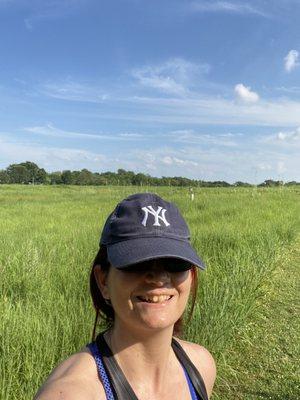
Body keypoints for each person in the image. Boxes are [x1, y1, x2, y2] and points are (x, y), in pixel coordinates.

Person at [35, 193, 216, 400]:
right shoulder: (71, 393)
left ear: (191, 276)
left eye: (175, 262)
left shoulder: (201, 366)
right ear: (103, 281)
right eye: (138, 262)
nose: (159, 278)